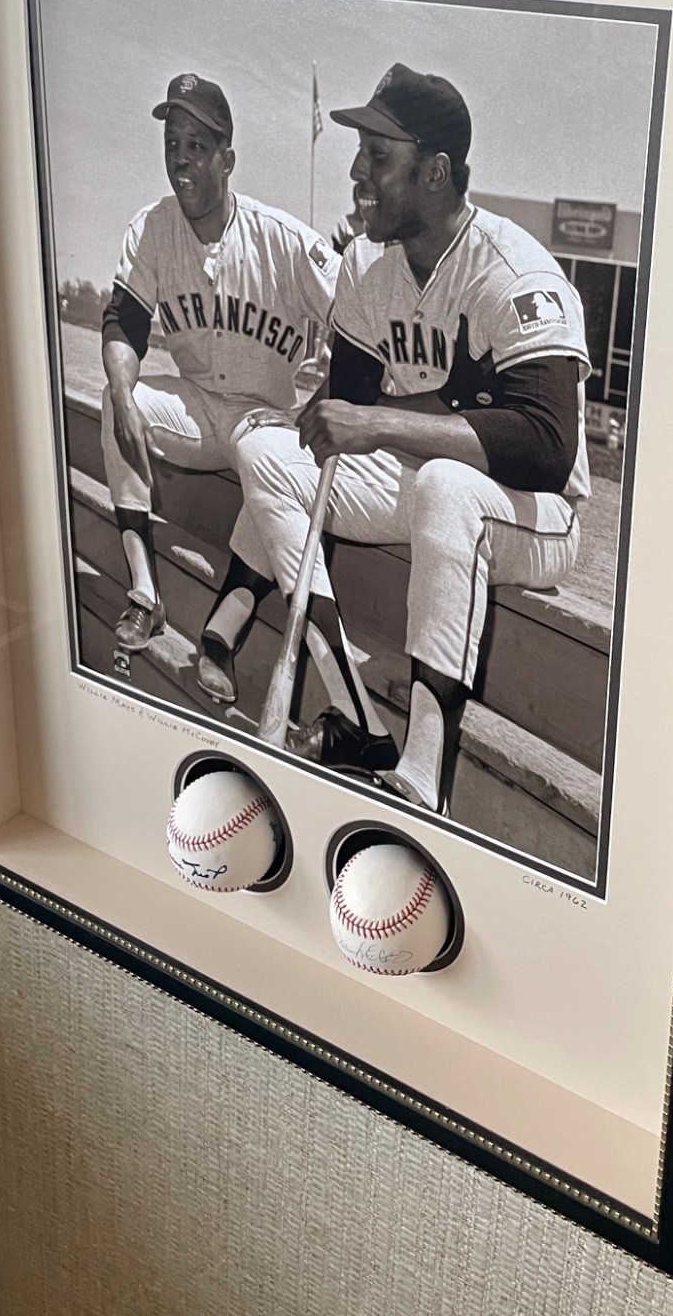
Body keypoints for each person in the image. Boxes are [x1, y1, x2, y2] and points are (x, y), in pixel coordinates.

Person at [224, 63, 590, 813]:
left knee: (446, 486)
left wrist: (387, 418)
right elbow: (347, 410)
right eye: (358, 153)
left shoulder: (511, 270)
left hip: (534, 516)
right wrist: (367, 410)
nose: (357, 173)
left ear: (436, 172)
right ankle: (357, 717)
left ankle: (423, 768)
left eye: (377, 157)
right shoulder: (370, 267)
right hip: (421, 483)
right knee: (266, 449)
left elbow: (547, 448)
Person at [100, 72, 340, 706]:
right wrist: (125, 393)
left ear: (228, 159)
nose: (181, 159)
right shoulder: (152, 229)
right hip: (202, 409)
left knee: (277, 466)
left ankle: (222, 633)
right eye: (173, 143)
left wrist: (333, 393)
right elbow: (123, 322)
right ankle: (146, 593)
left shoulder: (283, 240)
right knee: (117, 397)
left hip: (269, 421)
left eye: (197, 146)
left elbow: (357, 320)